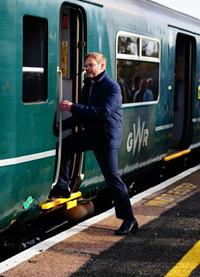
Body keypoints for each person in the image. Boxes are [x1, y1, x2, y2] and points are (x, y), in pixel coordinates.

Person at [51, 52, 138, 235]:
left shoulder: (112, 88)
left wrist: (73, 106)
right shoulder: (88, 86)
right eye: (86, 65)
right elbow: (82, 114)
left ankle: (129, 220)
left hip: (107, 139)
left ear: (101, 67)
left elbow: (103, 112)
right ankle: (62, 186)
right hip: (91, 134)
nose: (87, 68)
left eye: (91, 65)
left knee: (113, 179)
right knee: (65, 145)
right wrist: (62, 126)